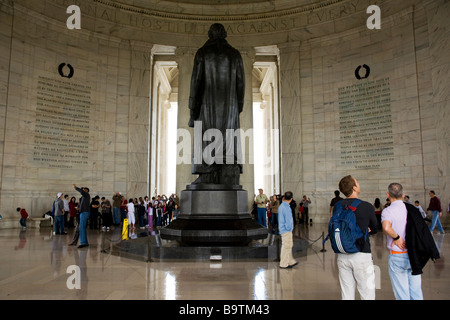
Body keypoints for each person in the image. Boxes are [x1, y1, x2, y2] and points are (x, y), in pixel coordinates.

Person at [188, 23, 245, 186]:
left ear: (209, 35)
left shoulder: (203, 53)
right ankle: (228, 171)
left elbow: (195, 83)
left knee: (206, 137)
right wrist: (237, 107)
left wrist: (193, 110)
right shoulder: (234, 55)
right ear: (225, 34)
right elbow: (241, 85)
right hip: (231, 107)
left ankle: (207, 174)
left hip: (207, 105)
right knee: (228, 139)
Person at [335, 175, 378, 300]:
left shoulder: (338, 206)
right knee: (367, 293)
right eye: (357, 182)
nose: (359, 184)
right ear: (354, 188)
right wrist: (367, 229)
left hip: (342, 254)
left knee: (346, 293)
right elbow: (375, 228)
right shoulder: (367, 206)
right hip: (362, 255)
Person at [381, 183, 423, 300]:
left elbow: (386, 228)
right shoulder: (412, 210)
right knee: (416, 291)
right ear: (403, 195)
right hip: (414, 255)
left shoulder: (388, 211)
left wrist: (397, 237)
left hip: (397, 255)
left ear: (388, 195)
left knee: (402, 294)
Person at [278, 191, 298, 269]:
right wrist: (289, 228)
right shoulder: (286, 207)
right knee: (286, 246)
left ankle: (290, 261)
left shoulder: (281, 206)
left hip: (283, 229)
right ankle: (283, 263)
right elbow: (288, 220)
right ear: (291, 199)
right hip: (286, 230)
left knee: (289, 245)